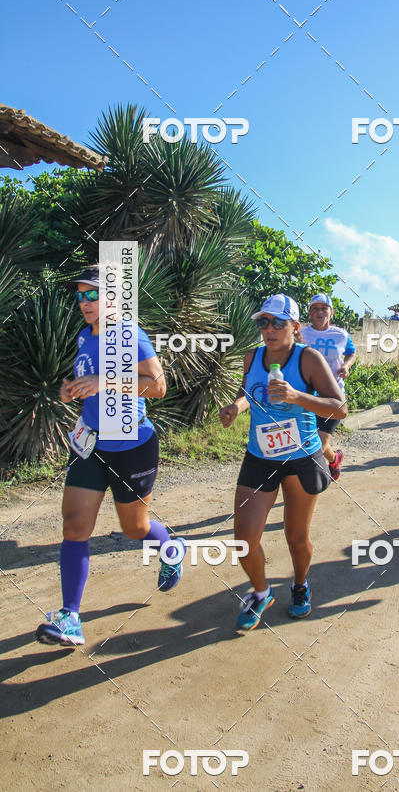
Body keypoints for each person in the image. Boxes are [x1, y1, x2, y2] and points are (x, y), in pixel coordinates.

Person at [36, 266, 183, 647]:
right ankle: (70, 616)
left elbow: (157, 385)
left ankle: (170, 548)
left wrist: (105, 382)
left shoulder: (129, 334)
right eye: (81, 296)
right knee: (74, 527)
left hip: (131, 444)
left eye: (92, 295)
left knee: (134, 527)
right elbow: (89, 383)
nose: (84, 302)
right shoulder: (86, 336)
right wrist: (73, 390)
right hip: (90, 444)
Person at [219, 294, 346, 630]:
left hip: (301, 457)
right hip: (260, 457)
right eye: (263, 322)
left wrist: (296, 396)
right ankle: (261, 593)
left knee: (296, 537)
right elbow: (247, 392)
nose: (269, 329)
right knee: (244, 539)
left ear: (294, 326)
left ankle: (300, 584)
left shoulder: (309, 359)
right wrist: (236, 408)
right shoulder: (252, 357)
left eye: (277, 322)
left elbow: (339, 407)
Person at [302, 293, 357, 480]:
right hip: (307, 396)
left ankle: (311, 482)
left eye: (324, 308)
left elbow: (352, 353)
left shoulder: (341, 335)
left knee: (318, 445)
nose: (320, 312)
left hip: (333, 396)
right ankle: (335, 459)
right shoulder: (301, 334)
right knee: (310, 442)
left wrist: (346, 366)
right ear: (309, 313)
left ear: (331, 312)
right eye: (315, 308)